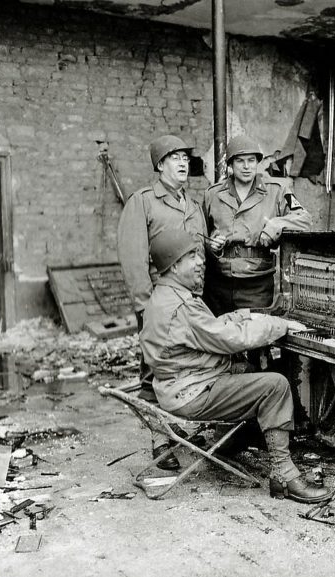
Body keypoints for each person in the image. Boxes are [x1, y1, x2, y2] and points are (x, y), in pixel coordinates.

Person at [140, 228, 332, 504]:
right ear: (173, 266)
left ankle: (227, 442)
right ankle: (284, 476)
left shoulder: (162, 298)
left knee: (249, 371)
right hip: (192, 394)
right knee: (275, 385)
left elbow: (210, 329)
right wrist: (279, 325)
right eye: (191, 257)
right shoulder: (181, 307)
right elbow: (230, 339)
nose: (199, 263)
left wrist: (249, 315)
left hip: (175, 387)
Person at [117, 135, 206, 471]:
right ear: (159, 165)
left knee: (185, 369)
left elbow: (200, 257)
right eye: (174, 157)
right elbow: (133, 260)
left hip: (191, 304)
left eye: (185, 157)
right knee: (153, 372)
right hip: (160, 305)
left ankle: (180, 428)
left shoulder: (194, 207)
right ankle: (160, 439)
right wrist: (145, 309)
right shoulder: (142, 202)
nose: (182, 163)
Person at [202, 134, 312, 316]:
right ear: (230, 164)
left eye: (251, 160)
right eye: (240, 161)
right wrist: (212, 245)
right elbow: (202, 235)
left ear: (257, 162)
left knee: (255, 339)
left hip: (257, 284)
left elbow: (305, 219)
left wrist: (277, 225)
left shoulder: (276, 190)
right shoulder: (212, 195)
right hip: (218, 283)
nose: (247, 167)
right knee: (220, 340)